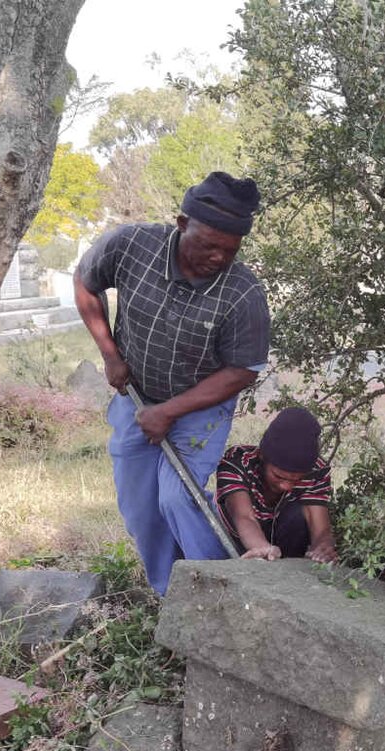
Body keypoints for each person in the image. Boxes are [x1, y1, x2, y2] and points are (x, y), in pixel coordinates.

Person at [75, 171, 271, 595]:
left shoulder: (243, 293)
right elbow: (86, 284)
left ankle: (219, 591)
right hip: (136, 396)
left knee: (177, 498)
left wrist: (168, 412)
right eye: (208, 245)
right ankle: (169, 593)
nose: (218, 258)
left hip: (200, 407)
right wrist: (110, 354)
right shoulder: (131, 245)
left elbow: (243, 371)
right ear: (183, 224)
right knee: (141, 507)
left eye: (229, 251)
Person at [214, 407, 337, 562]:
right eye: (279, 476)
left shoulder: (316, 471)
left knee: (298, 515)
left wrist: (323, 547)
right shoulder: (237, 462)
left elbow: (320, 529)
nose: (287, 487)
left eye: (297, 480)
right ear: (261, 456)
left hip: (285, 542)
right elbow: (244, 517)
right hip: (235, 539)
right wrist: (261, 548)